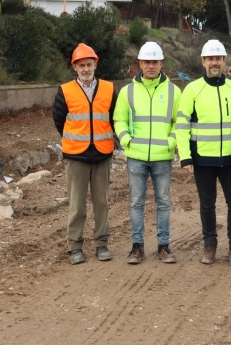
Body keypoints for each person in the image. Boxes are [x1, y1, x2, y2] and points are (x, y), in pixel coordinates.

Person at [176, 40, 231, 266]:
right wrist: (186, 157)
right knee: (207, 204)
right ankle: (210, 245)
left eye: (218, 59)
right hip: (202, 160)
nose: (214, 62)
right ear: (203, 61)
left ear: (224, 61)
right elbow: (182, 126)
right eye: (210, 59)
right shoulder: (192, 89)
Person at [113, 41, 181, 264]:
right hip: (136, 156)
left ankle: (164, 246)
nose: (151, 66)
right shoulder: (128, 91)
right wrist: (126, 140)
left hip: (163, 156)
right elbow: (119, 119)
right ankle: (137, 247)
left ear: (161, 64)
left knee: (163, 202)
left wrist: (172, 141)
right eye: (147, 62)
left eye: (155, 62)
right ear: (140, 64)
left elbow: (179, 121)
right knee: (136, 203)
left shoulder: (173, 91)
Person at [52, 43, 118, 265]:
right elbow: (59, 120)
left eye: (89, 64)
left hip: (102, 154)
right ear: (74, 67)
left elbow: (114, 118)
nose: (85, 69)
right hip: (75, 157)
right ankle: (75, 247)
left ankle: (102, 243)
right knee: (77, 205)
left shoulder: (109, 89)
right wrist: (75, 139)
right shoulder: (65, 91)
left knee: (102, 203)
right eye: (81, 65)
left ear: (95, 65)